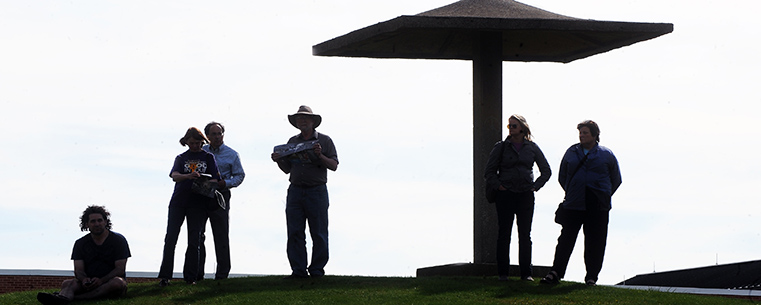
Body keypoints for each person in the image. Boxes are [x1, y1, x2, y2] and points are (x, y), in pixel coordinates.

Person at [541, 120, 622, 286]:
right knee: (566, 239)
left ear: (594, 135)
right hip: (574, 203)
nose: (582, 135)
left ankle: (591, 277)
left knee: (595, 242)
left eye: (585, 132)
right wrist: (573, 191)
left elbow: (616, 180)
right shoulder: (571, 152)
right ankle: (555, 272)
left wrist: (603, 194)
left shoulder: (607, 154)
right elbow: (562, 176)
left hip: (598, 205)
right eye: (580, 132)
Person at [271, 105, 338, 279]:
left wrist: (320, 155)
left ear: (313, 122)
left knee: (319, 232)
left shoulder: (325, 141)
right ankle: (298, 271)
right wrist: (278, 160)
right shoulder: (292, 141)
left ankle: (317, 270)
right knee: (294, 232)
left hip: (317, 191)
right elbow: (287, 169)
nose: (302, 121)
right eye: (299, 119)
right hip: (295, 191)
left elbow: (334, 165)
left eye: (305, 118)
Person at [483, 114, 551, 282]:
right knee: (504, 234)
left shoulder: (532, 148)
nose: (511, 128)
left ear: (522, 128)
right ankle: (503, 273)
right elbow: (489, 172)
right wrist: (499, 186)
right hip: (505, 195)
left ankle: (526, 274)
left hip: (525, 195)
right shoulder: (501, 147)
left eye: (514, 126)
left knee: (525, 235)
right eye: (509, 126)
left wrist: (535, 186)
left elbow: (546, 171)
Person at [158, 127, 221, 286]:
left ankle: (190, 277)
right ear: (186, 142)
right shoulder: (180, 157)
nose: (194, 146)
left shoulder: (208, 157)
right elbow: (174, 176)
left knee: (194, 239)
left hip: (198, 203)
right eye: (191, 143)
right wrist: (188, 176)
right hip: (179, 202)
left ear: (202, 142)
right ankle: (165, 276)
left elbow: (215, 179)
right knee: (171, 238)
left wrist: (203, 182)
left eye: (198, 143)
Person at [36, 205, 131, 305]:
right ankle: (62, 298)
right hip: (88, 284)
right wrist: (84, 279)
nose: (97, 224)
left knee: (118, 282)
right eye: (93, 221)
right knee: (67, 283)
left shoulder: (118, 240)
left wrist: (101, 280)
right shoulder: (80, 243)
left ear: (105, 222)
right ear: (86, 224)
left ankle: (72, 298)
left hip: (109, 283)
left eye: (99, 220)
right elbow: (79, 270)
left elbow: (120, 269)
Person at [199, 121, 245, 280]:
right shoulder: (201, 151)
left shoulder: (232, 154)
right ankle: (197, 273)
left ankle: (222, 274)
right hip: (201, 194)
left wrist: (226, 183)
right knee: (198, 234)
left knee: (221, 234)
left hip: (221, 194)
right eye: (214, 134)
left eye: (220, 134)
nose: (218, 137)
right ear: (207, 136)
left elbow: (240, 175)